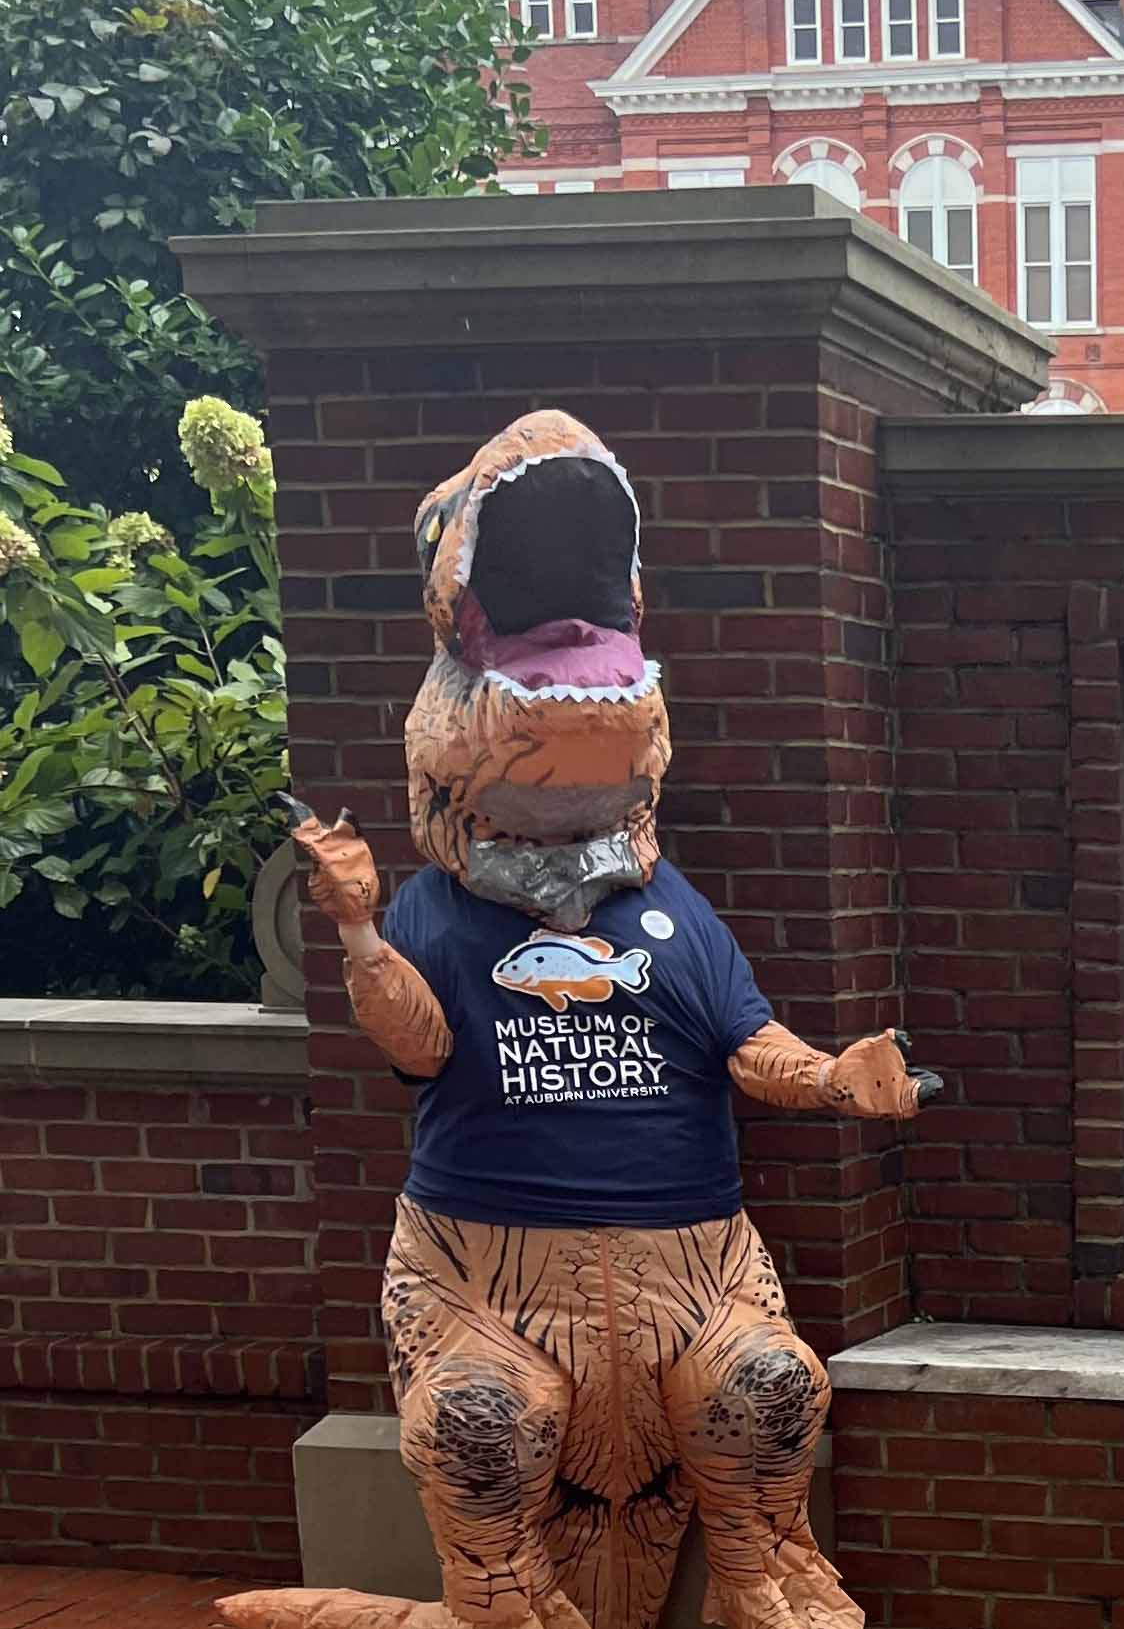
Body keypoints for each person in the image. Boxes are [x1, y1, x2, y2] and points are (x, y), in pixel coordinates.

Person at [220, 413, 934, 1629]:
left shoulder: (672, 912)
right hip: (487, 1276)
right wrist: (355, 932)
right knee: (478, 1424)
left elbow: (741, 1041)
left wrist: (831, 1080)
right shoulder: (442, 914)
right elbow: (419, 1047)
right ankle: (496, 1598)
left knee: (767, 1386)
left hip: (689, 1274)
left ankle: (761, 1572)